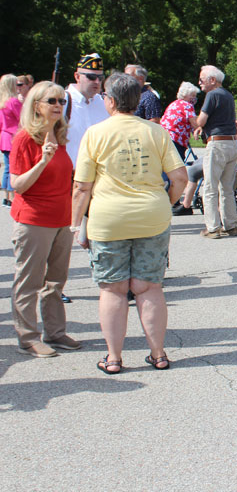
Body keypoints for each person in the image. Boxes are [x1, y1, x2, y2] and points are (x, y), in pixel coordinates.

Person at [71, 73, 187, 374]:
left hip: (109, 219)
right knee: (149, 287)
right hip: (152, 217)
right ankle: (158, 354)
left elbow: (82, 186)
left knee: (113, 289)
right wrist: (167, 202)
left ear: (109, 100)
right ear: (137, 101)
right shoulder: (157, 132)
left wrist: (75, 224)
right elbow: (179, 177)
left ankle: (113, 358)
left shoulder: (96, 133)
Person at [9, 81, 80, 358]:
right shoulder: (25, 139)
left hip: (61, 220)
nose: (58, 106)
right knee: (29, 282)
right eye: (52, 101)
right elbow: (18, 185)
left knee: (56, 282)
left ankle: (56, 332)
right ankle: (28, 337)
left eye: (62, 102)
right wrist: (41, 162)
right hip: (34, 221)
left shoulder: (60, 137)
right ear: (36, 105)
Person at [194, 65, 237, 239]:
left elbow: (202, 120)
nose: (200, 83)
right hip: (232, 143)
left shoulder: (212, 95)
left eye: (202, 79)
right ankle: (230, 225)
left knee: (210, 187)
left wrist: (196, 124)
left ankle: (213, 228)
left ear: (213, 80)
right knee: (227, 187)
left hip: (217, 143)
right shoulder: (228, 95)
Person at [65, 53, 109, 166]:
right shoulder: (62, 101)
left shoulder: (104, 103)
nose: (97, 82)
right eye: (91, 77)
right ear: (77, 77)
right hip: (68, 174)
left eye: (100, 78)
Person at [160, 82, 200, 161]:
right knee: (176, 164)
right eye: (192, 95)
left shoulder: (173, 104)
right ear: (185, 95)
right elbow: (194, 123)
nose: (194, 98)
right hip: (176, 139)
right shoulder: (187, 105)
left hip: (163, 136)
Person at [1, 74, 23, 207]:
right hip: (12, 136)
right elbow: (22, 118)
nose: (18, 87)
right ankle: (12, 197)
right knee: (13, 168)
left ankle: (6, 196)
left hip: (4, 136)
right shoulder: (13, 101)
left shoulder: (2, 101)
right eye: (17, 84)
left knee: (7, 168)